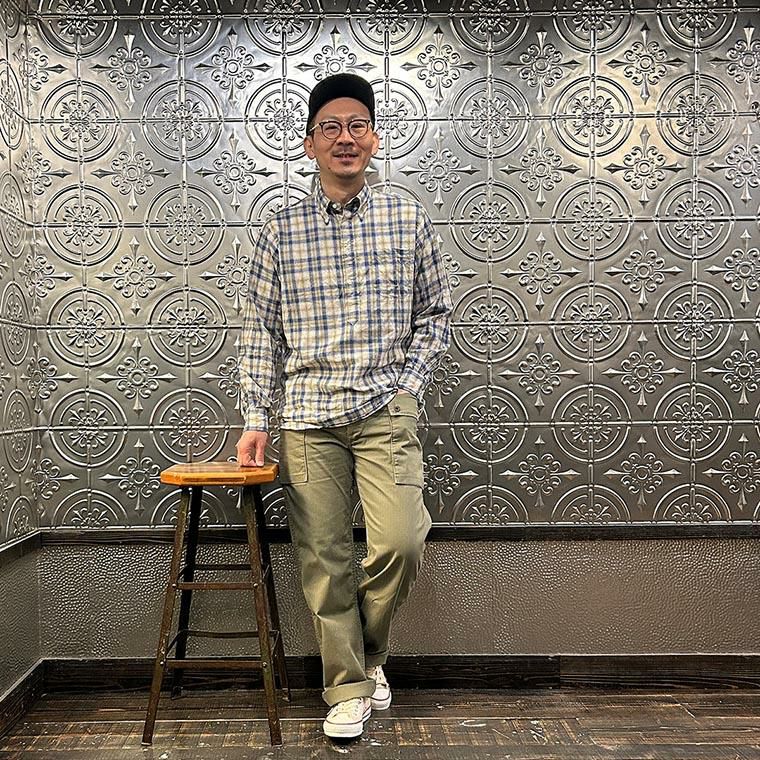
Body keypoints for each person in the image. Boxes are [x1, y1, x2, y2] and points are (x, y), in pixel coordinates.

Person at [236, 72, 452, 740]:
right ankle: (348, 686)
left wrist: (409, 387)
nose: (345, 138)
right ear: (309, 144)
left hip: (386, 409)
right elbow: (258, 329)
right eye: (330, 127)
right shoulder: (279, 228)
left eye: (358, 125)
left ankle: (368, 654)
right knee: (323, 559)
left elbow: (435, 315)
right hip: (306, 416)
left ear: (376, 138)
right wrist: (255, 419)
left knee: (400, 543)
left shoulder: (407, 217)